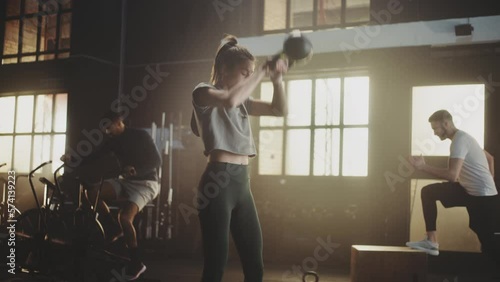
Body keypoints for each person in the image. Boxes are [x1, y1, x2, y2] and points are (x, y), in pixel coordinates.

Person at [190, 34, 288, 282]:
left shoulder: (246, 103)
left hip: (242, 184)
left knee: (255, 265)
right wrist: (262, 72)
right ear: (224, 70)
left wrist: (277, 80)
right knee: (216, 264)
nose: (249, 76)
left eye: (251, 72)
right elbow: (230, 100)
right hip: (217, 183)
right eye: (245, 72)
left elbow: (279, 110)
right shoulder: (203, 91)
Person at [63, 110, 161, 281]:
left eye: (109, 128)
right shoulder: (113, 141)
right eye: (104, 130)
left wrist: (137, 170)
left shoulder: (141, 136)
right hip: (125, 181)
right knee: (91, 193)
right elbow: (94, 156)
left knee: (124, 218)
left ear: (118, 122)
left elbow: (156, 161)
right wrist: (73, 158)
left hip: (147, 183)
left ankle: (137, 263)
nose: (107, 132)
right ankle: (113, 227)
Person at [407, 109, 499, 258]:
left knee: (489, 244)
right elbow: (490, 158)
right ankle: (432, 241)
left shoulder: (459, 141)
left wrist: (423, 167)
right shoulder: (464, 138)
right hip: (470, 192)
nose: (435, 133)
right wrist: (489, 181)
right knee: (428, 192)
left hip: (484, 199)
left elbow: (452, 175)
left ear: (446, 123)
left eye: (435, 128)